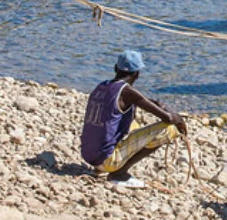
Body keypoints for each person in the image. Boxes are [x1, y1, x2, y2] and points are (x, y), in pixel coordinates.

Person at [80, 50, 188, 188]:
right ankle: (119, 173)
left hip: (89, 155)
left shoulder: (102, 86)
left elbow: (144, 100)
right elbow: (167, 118)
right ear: (137, 73)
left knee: (131, 122)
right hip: (107, 160)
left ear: (115, 68)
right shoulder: (127, 92)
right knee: (169, 129)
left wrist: (159, 104)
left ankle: (100, 169)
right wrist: (180, 122)